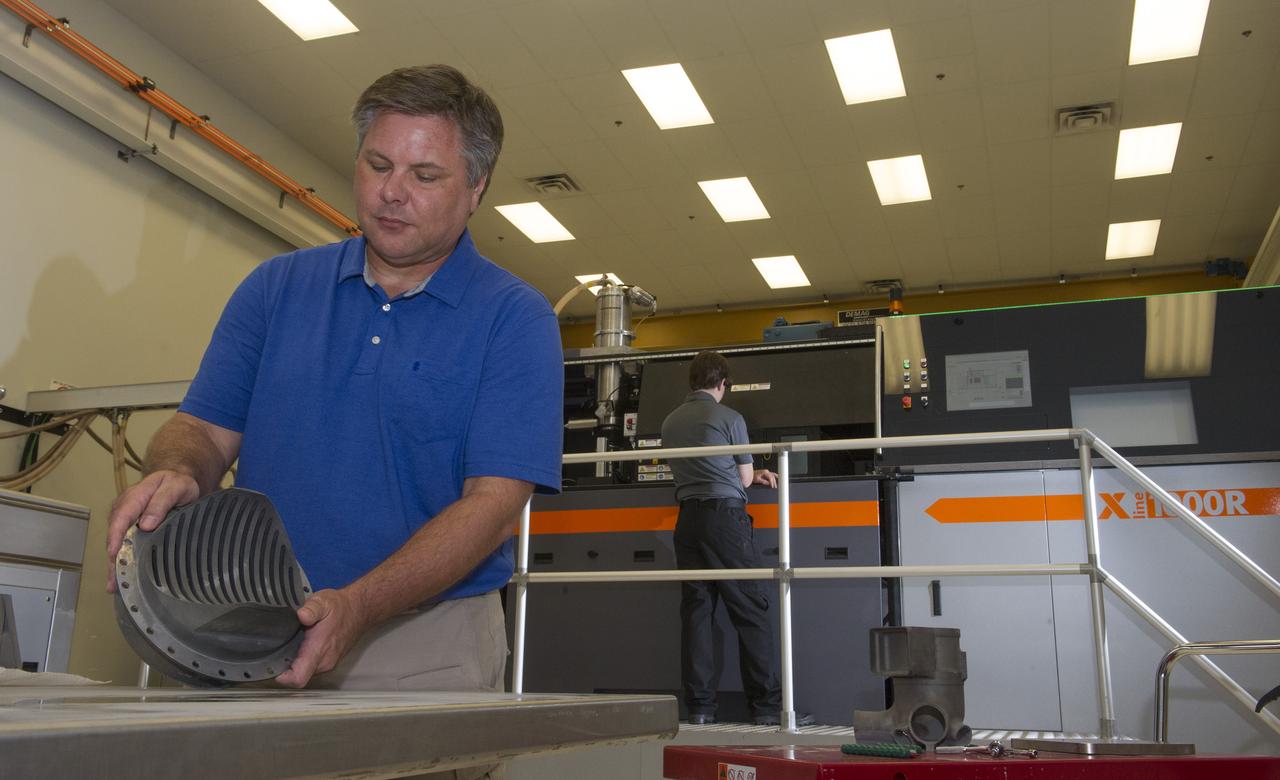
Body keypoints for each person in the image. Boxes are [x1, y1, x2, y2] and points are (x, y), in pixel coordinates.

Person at [105, 63, 563, 720]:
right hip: (252, 626)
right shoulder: (275, 289)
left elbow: (491, 506)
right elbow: (203, 429)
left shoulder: (515, 319)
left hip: (422, 649)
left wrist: (357, 605)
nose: (391, 193)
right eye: (378, 165)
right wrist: (178, 470)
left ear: (475, 188)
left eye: (424, 175)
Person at [660, 351, 812, 727]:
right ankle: (765, 708)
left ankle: (699, 708)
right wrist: (755, 472)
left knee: (697, 613)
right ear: (722, 383)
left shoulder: (670, 421)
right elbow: (743, 479)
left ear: (691, 382)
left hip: (688, 521)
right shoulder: (729, 418)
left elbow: (700, 466)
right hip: (724, 520)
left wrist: (742, 472)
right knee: (751, 610)